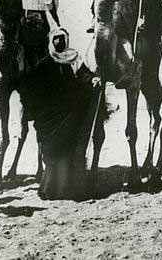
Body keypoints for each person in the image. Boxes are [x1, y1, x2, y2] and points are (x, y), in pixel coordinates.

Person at [19, 28, 101, 200]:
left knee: (68, 152)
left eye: (62, 38)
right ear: (51, 41)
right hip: (50, 118)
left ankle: (68, 190)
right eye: (55, 39)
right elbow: (34, 87)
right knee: (51, 154)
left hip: (69, 115)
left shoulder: (74, 59)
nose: (58, 42)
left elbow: (84, 75)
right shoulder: (44, 63)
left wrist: (92, 79)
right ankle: (49, 189)